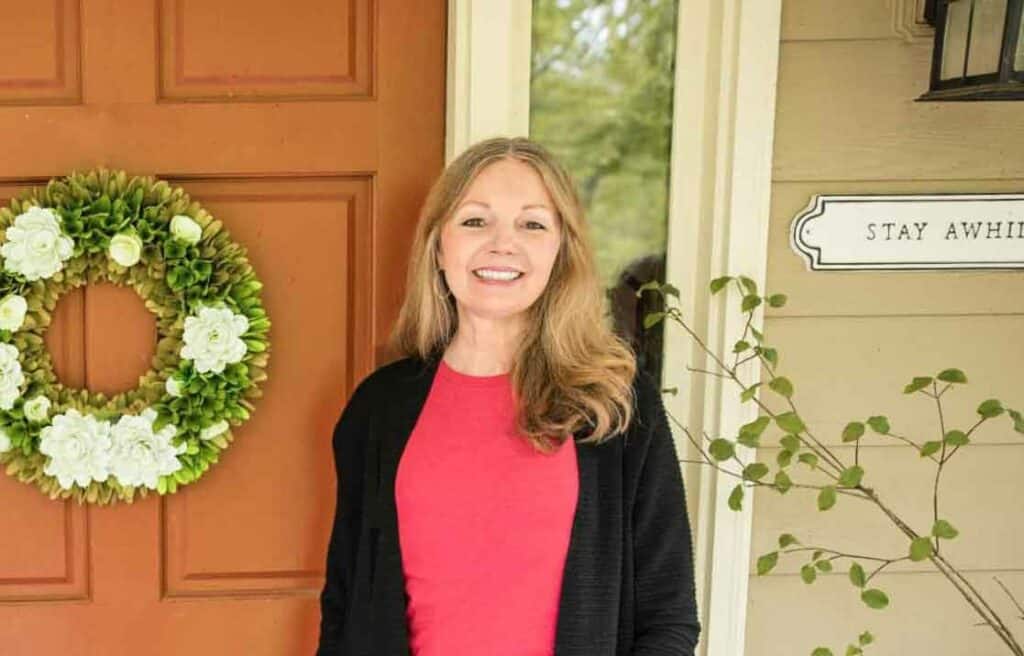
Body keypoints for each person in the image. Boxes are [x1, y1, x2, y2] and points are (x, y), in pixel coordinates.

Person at [315, 136, 701, 655]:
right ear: (438, 245)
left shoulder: (613, 404)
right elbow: (345, 603)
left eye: (533, 224)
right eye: (475, 221)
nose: (502, 243)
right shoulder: (378, 409)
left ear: (561, 250)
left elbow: (668, 614)